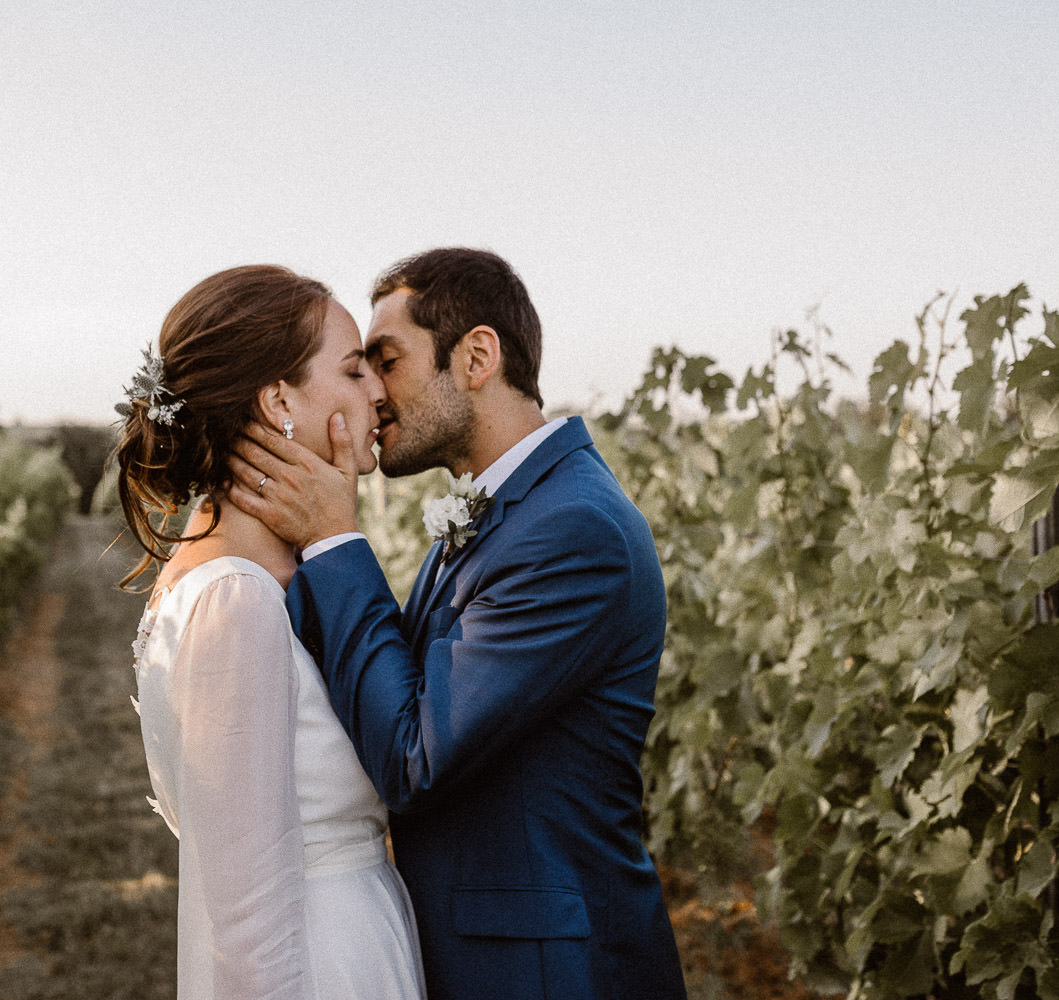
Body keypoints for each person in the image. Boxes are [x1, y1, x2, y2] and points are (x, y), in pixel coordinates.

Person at [227, 247, 688, 999]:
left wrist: (334, 541)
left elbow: (415, 754)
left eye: (387, 359)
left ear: (476, 356)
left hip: (546, 973)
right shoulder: (512, 509)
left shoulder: (573, 529)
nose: (373, 393)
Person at [115, 264, 426, 1000]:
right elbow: (247, 923)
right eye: (353, 370)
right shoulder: (236, 599)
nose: (377, 390)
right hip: (320, 964)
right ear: (278, 398)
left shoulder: (261, 579)